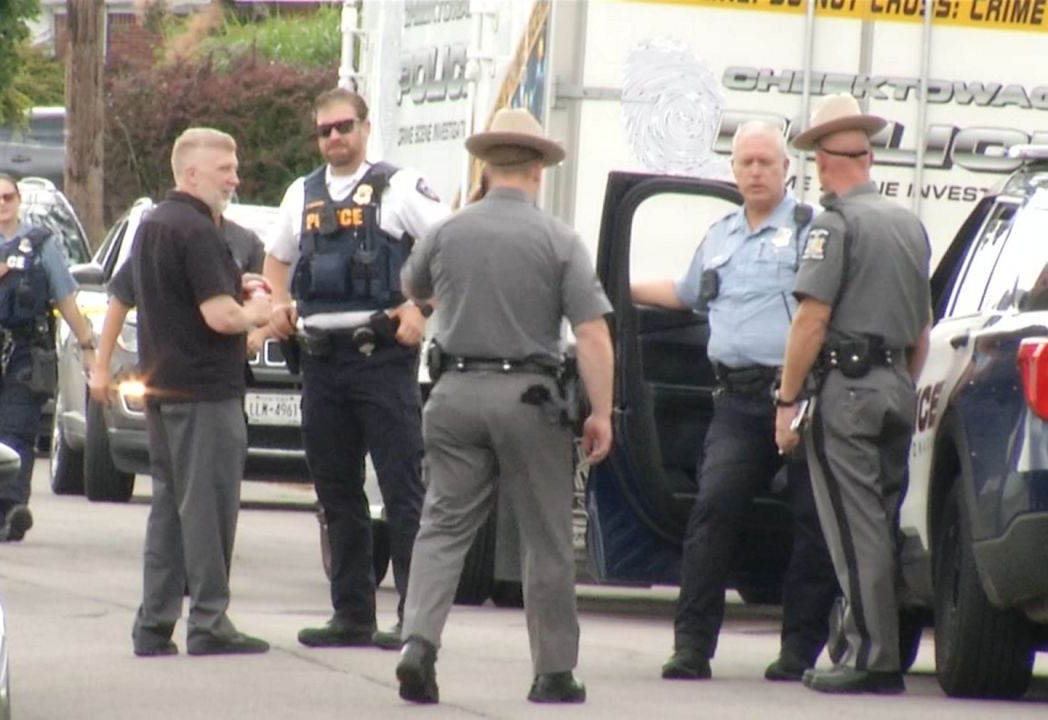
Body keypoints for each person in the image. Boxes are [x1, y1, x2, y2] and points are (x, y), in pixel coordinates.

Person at [393, 108, 614, 705]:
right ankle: (553, 673)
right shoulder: (559, 239)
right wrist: (600, 412)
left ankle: (418, 643)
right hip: (530, 400)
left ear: (485, 168)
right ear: (539, 168)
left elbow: (413, 287)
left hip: (454, 394)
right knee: (545, 537)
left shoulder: (447, 230)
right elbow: (592, 333)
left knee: (442, 525)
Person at [635, 123, 840, 682]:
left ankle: (799, 652)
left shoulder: (810, 230)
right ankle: (691, 647)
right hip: (738, 402)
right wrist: (616, 290)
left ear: (786, 169)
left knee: (812, 522)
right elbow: (684, 294)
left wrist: (793, 397)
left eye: (765, 162)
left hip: (801, 398)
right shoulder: (719, 235)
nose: (754, 171)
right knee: (711, 513)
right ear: (732, 170)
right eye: (745, 162)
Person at [263, 87, 449, 650]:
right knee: (336, 492)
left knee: (401, 490)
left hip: (381, 359)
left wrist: (421, 309)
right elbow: (277, 259)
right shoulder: (302, 193)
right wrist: (278, 303)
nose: (335, 138)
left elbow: (452, 248)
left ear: (366, 128)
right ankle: (351, 614)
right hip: (321, 361)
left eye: (345, 126)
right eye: (325, 130)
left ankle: (414, 620)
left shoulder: (398, 187)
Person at [773, 93, 931, 695]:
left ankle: (871, 656)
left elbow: (811, 321)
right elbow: (922, 327)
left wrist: (787, 401)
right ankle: (872, 645)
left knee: (852, 528)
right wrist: (901, 381)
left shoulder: (834, 224)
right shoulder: (908, 224)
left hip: (848, 392)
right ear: (866, 157)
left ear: (824, 161)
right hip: (896, 385)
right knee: (880, 523)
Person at [127, 127, 273, 658]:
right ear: (190, 173)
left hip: (163, 389)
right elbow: (220, 316)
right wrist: (258, 312)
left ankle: (153, 623)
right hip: (205, 392)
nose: (235, 179)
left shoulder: (152, 225)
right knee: (209, 510)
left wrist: (238, 285)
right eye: (224, 169)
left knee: (168, 510)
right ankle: (210, 620)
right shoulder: (197, 229)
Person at [0, 174, 96, 544]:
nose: (1, 204)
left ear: (18, 199)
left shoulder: (42, 245)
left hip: (26, 350)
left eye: (7, 197)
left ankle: (13, 506)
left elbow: (65, 298)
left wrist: (87, 345)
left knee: (17, 429)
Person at [88, 218, 270, 406]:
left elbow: (269, 299)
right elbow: (120, 299)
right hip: (171, 379)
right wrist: (102, 367)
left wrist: (259, 333)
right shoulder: (164, 235)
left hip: (224, 381)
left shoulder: (244, 241)